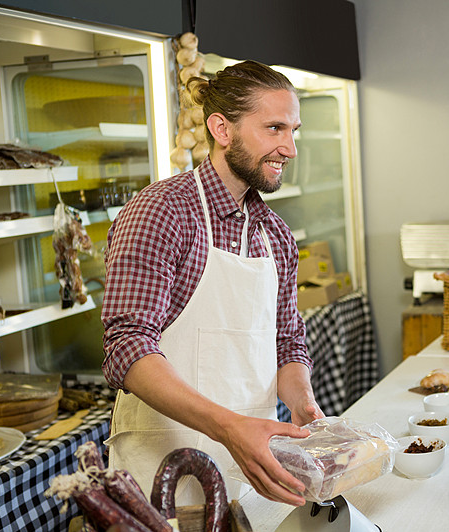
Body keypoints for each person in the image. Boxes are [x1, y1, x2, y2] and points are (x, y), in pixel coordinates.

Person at [101, 60, 324, 507]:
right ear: (222, 129)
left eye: (293, 130)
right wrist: (227, 426)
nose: (291, 148)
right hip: (161, 482)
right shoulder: (162, 212)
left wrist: (302, 401)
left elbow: (287, 341)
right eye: (275, 128)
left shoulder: (275, 234)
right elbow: (127, 347)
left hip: (249, 475)